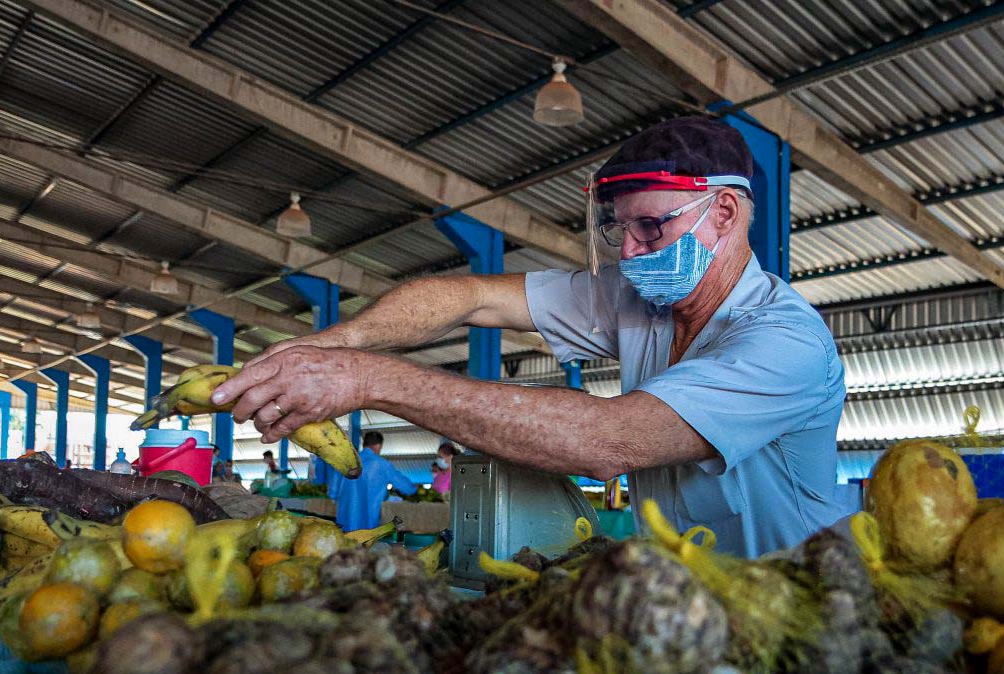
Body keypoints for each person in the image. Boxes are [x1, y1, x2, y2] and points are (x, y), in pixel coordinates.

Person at [212, 117, 846, 557]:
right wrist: (341, 345)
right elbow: (473, 297)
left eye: (650, 228)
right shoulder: (643, 305)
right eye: (619, 231)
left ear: (726, 214)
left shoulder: (784, 342)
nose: (629, 252)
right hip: (684, 613)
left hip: (790, 610)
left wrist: (368, 380)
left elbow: (610, 440)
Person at [329, 430, 417, 532]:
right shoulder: (383, 464)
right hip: (368, 524)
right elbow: (406, 486)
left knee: (344, 546)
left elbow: (333, 491)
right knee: (366, 545)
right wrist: (414, 489)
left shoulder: (346, 461)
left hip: (344, 521)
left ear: (363, 443)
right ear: (379, 446)